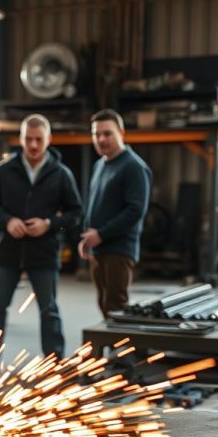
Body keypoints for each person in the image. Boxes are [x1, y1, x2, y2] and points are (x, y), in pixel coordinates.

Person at [0, 114, 82, 375]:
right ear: (22, 140)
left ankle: (54, 363)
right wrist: (6, 221)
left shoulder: (61, 175)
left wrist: (49, 224)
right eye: (29, 139)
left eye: (39, 140)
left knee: (48, 309)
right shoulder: (4, 171)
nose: (34, 145)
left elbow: (75, 214)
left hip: (44, 253)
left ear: (49, 140)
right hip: (8, 251)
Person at [78, 108, 153, 318]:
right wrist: (87, 237)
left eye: (107, 133)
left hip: (119, 250)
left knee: (116, 306)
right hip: (98, 249)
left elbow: (136, 210)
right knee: (104, 305)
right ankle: (112, 350)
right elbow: (94, 204)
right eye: (96, 134)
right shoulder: (100, 165)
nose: (101, 139)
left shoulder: (133, 167)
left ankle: (126, 351)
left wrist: (101, 234)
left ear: (121, 132)